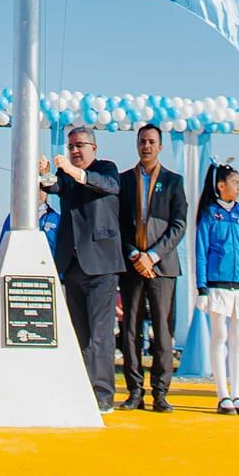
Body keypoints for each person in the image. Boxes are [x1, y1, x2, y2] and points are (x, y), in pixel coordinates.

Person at [43, 126, 123, 413]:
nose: (75, 151)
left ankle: (102, 396)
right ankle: (82, 389)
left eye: (80, 146)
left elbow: (106, 185)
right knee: (80, 334)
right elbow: (54, 187)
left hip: (101, 266)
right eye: (71, 146)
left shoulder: (106, 169)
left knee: (101, 335)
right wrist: (43, 174)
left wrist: (73, 171)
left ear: (93, 147)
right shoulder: (66, 174)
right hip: (73, 264)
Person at [117, 124, 187, 414]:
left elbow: (179, 224)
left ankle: (160, 392)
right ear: (136, 145)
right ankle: (135, 391)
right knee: (130, 329)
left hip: (163, 267)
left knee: (162, 330)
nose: (146, 146)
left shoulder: (173, 181)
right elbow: (118, 224)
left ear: (160, 147)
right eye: (142, 141)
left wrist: (154, 255)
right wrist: (135, 254)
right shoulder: (124, 181)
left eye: (152, 142)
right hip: (132, 265)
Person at [194, 160, 239, 415]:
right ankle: (222, 395)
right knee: (219, 337)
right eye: (235, 183)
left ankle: (237, 393)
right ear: (221, 186)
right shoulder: (210, 213)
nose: (238, 187)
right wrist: (201, 288)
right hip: (217, 285)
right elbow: (201, 250)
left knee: (237, 340)